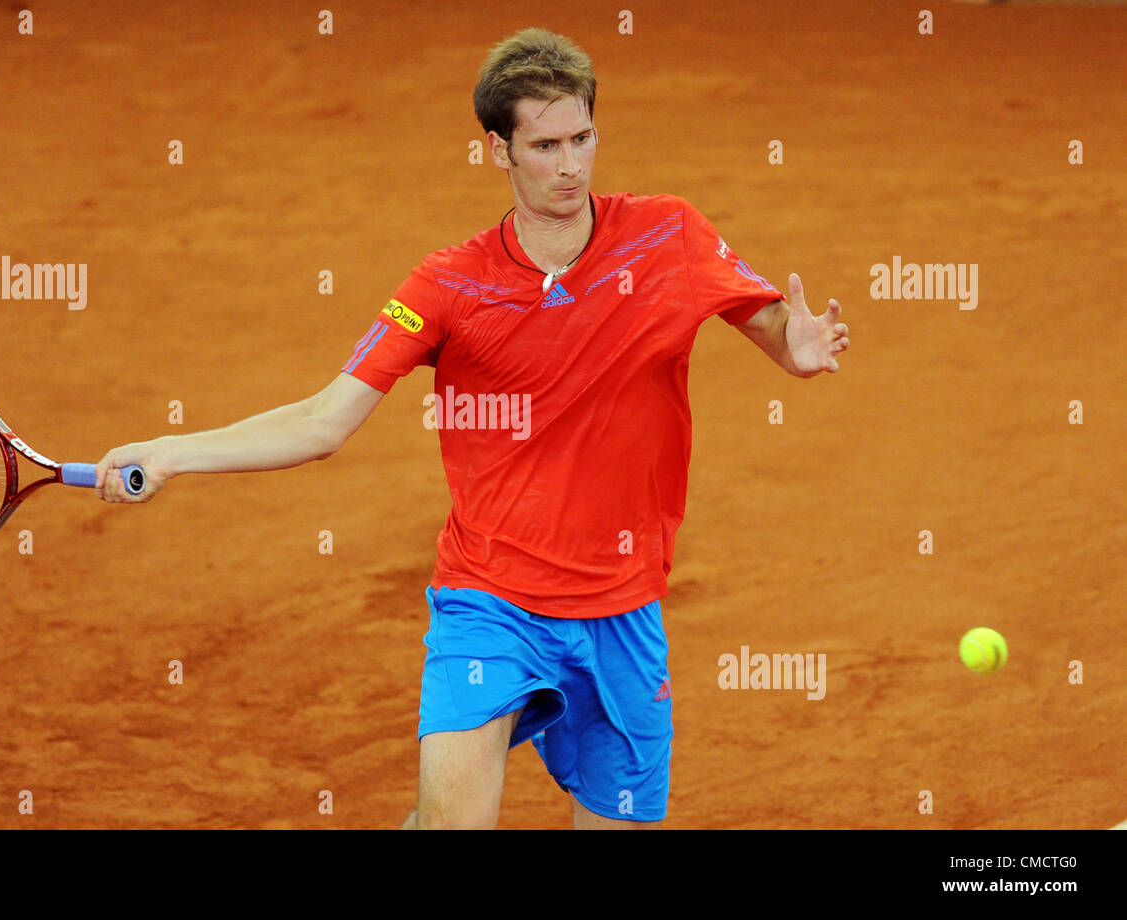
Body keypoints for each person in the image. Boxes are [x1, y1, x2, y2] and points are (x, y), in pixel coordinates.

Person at [94, 27, 850, 830]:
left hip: (624, 608)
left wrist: (795, 349)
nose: (571, 166)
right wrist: (173, 451)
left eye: (583, 138)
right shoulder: (448, 285)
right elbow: (323, 423)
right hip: (490, 599)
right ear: (498, 149)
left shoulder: (668, 235)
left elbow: (773, 330)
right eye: (546, 145)